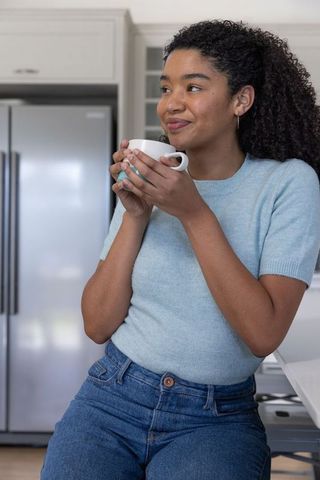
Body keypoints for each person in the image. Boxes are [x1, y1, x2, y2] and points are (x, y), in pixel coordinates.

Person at [41, 20, 320, 480]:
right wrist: (135, 214)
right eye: (166, 87)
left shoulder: (287, 183)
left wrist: (193, 213)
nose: (171, 103)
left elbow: (263, 333)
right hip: (112, 397)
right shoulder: (153, 175)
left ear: (240, 100)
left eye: (194, 87)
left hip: (214, 420)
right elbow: (97, 324)